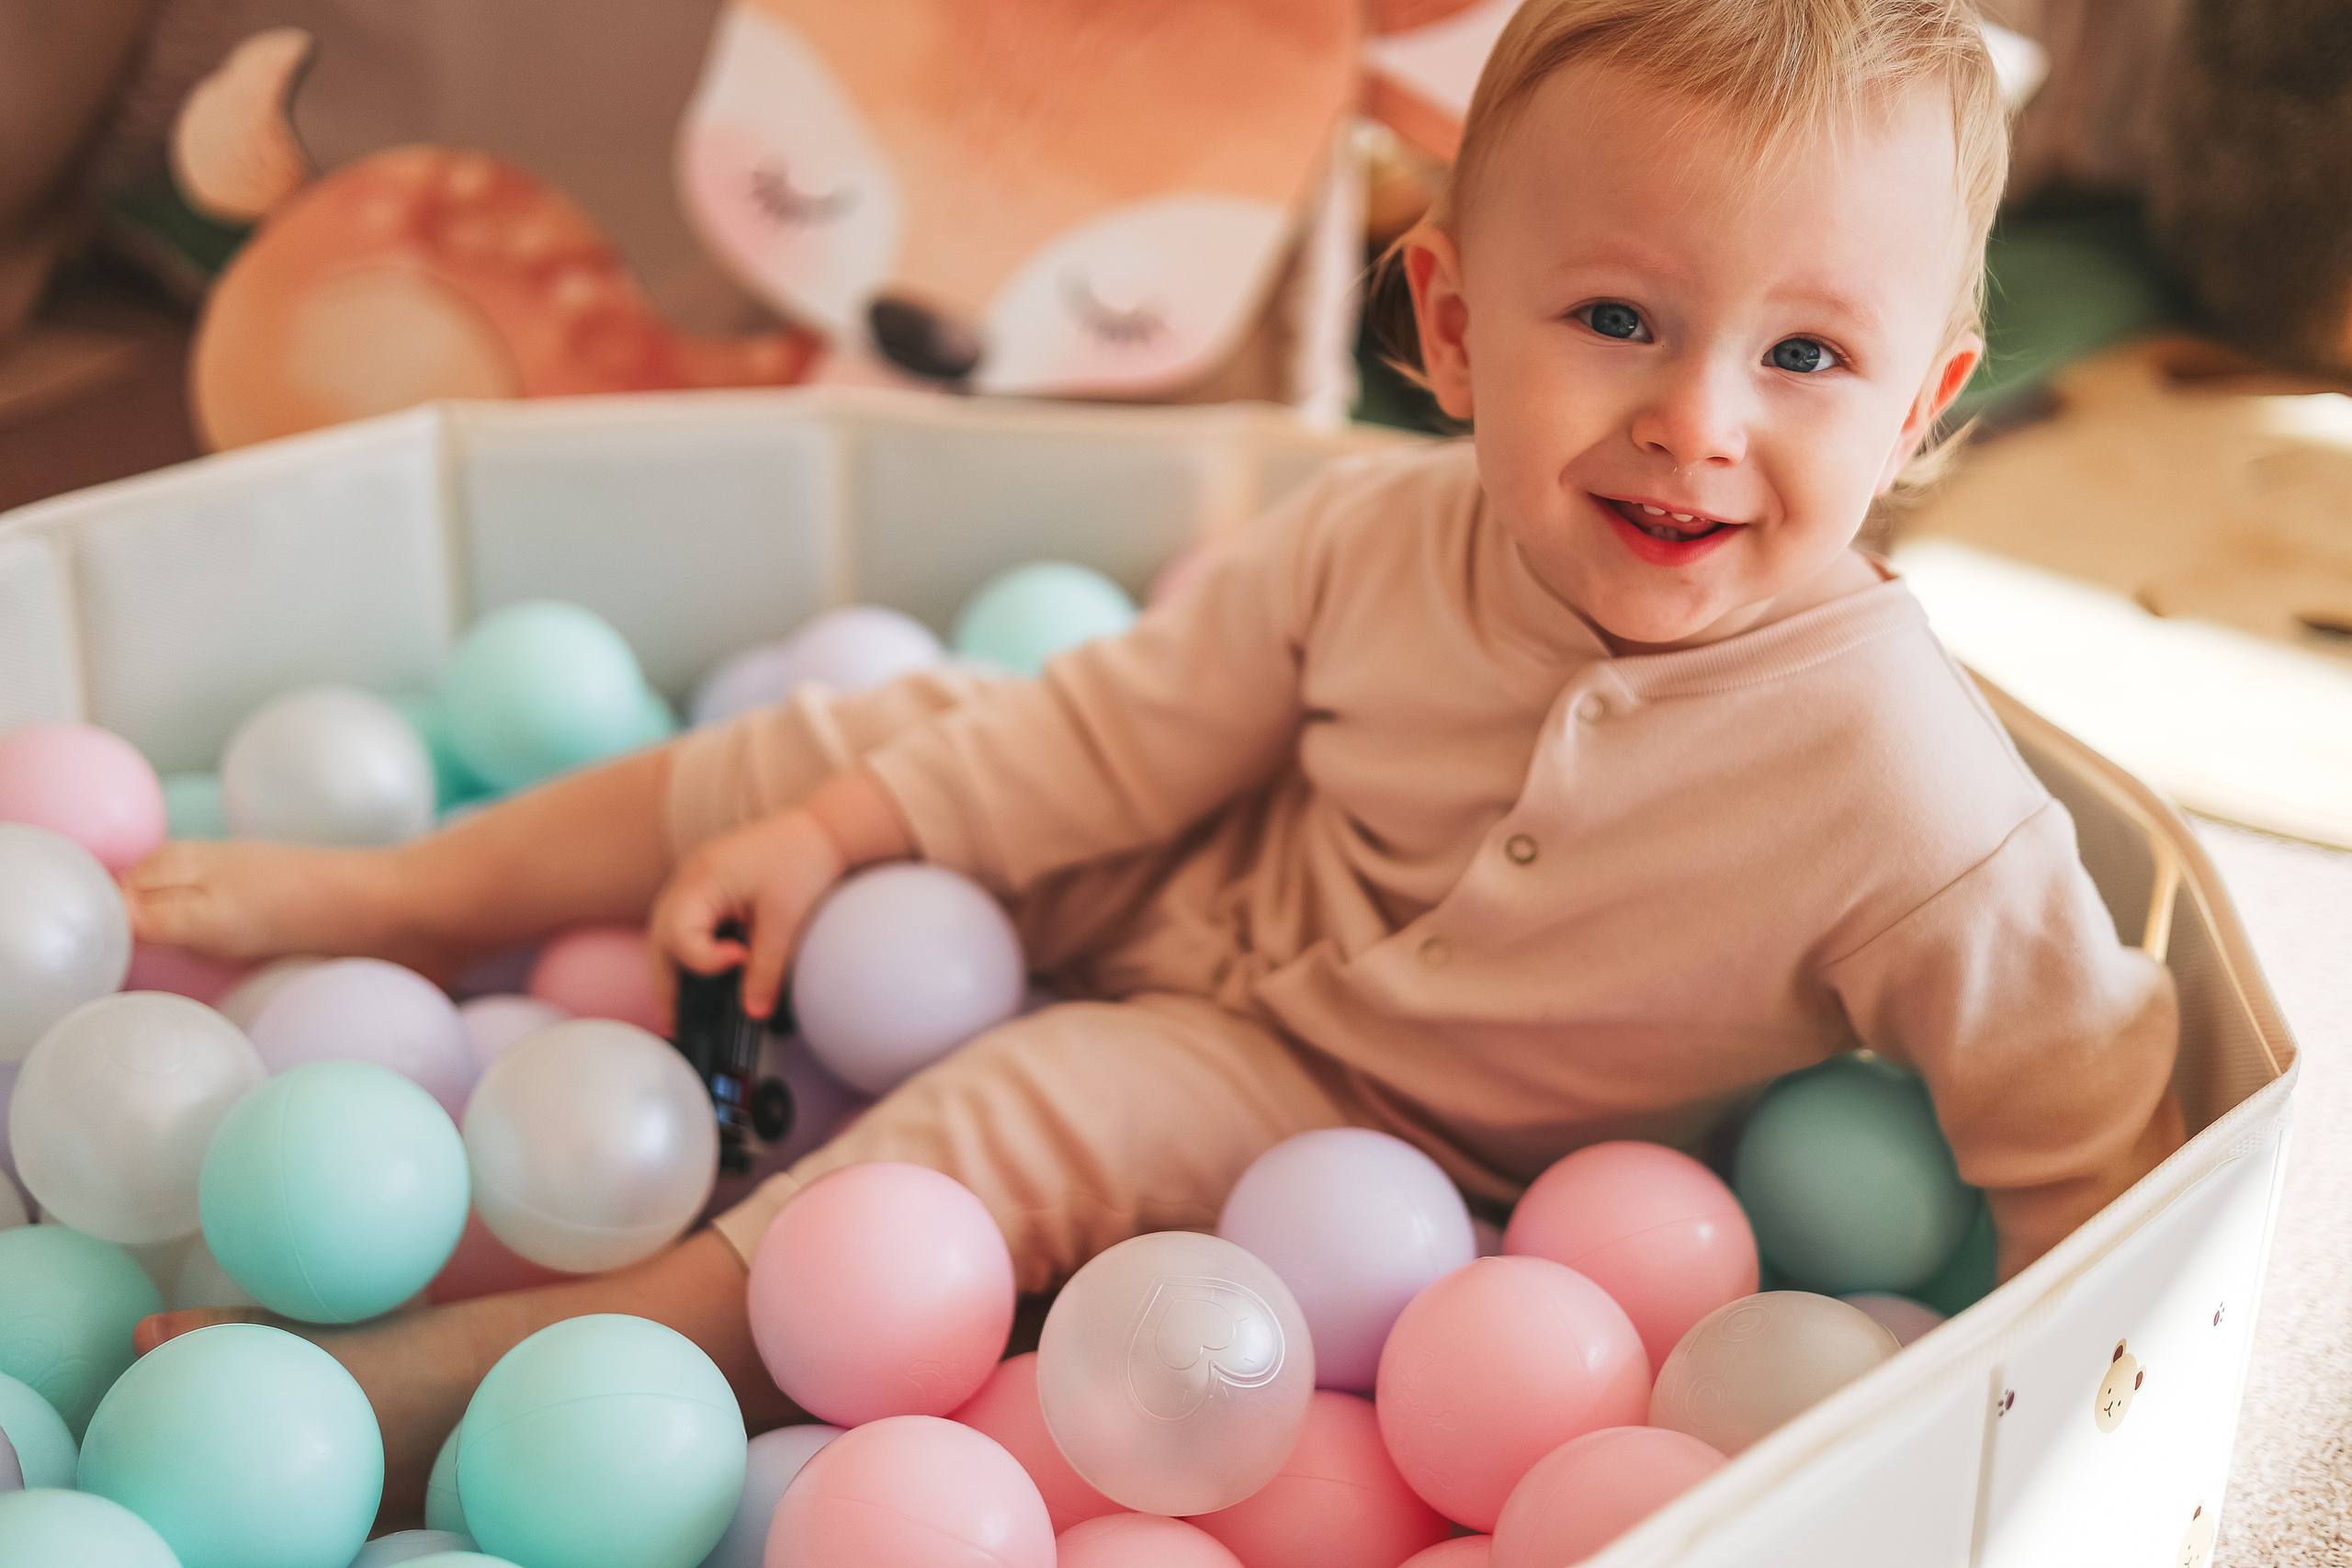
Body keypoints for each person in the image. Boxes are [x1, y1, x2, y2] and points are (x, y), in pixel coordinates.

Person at [123, 0, 2181, 1522]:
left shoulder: (1905, 789)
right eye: (1618, 317)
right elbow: (1106, 735)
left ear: (1918, 408)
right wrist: (843, 823)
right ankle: (396, 886)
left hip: (1343, 1111)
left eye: (1801, 355)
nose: (1696, 421)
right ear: (1452, 332)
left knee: (1004, 1121)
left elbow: (2076, 1111)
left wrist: (2027, 1425)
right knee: (876, 733)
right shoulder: (1374, 536)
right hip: (1187, 865)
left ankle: (439, 1378)